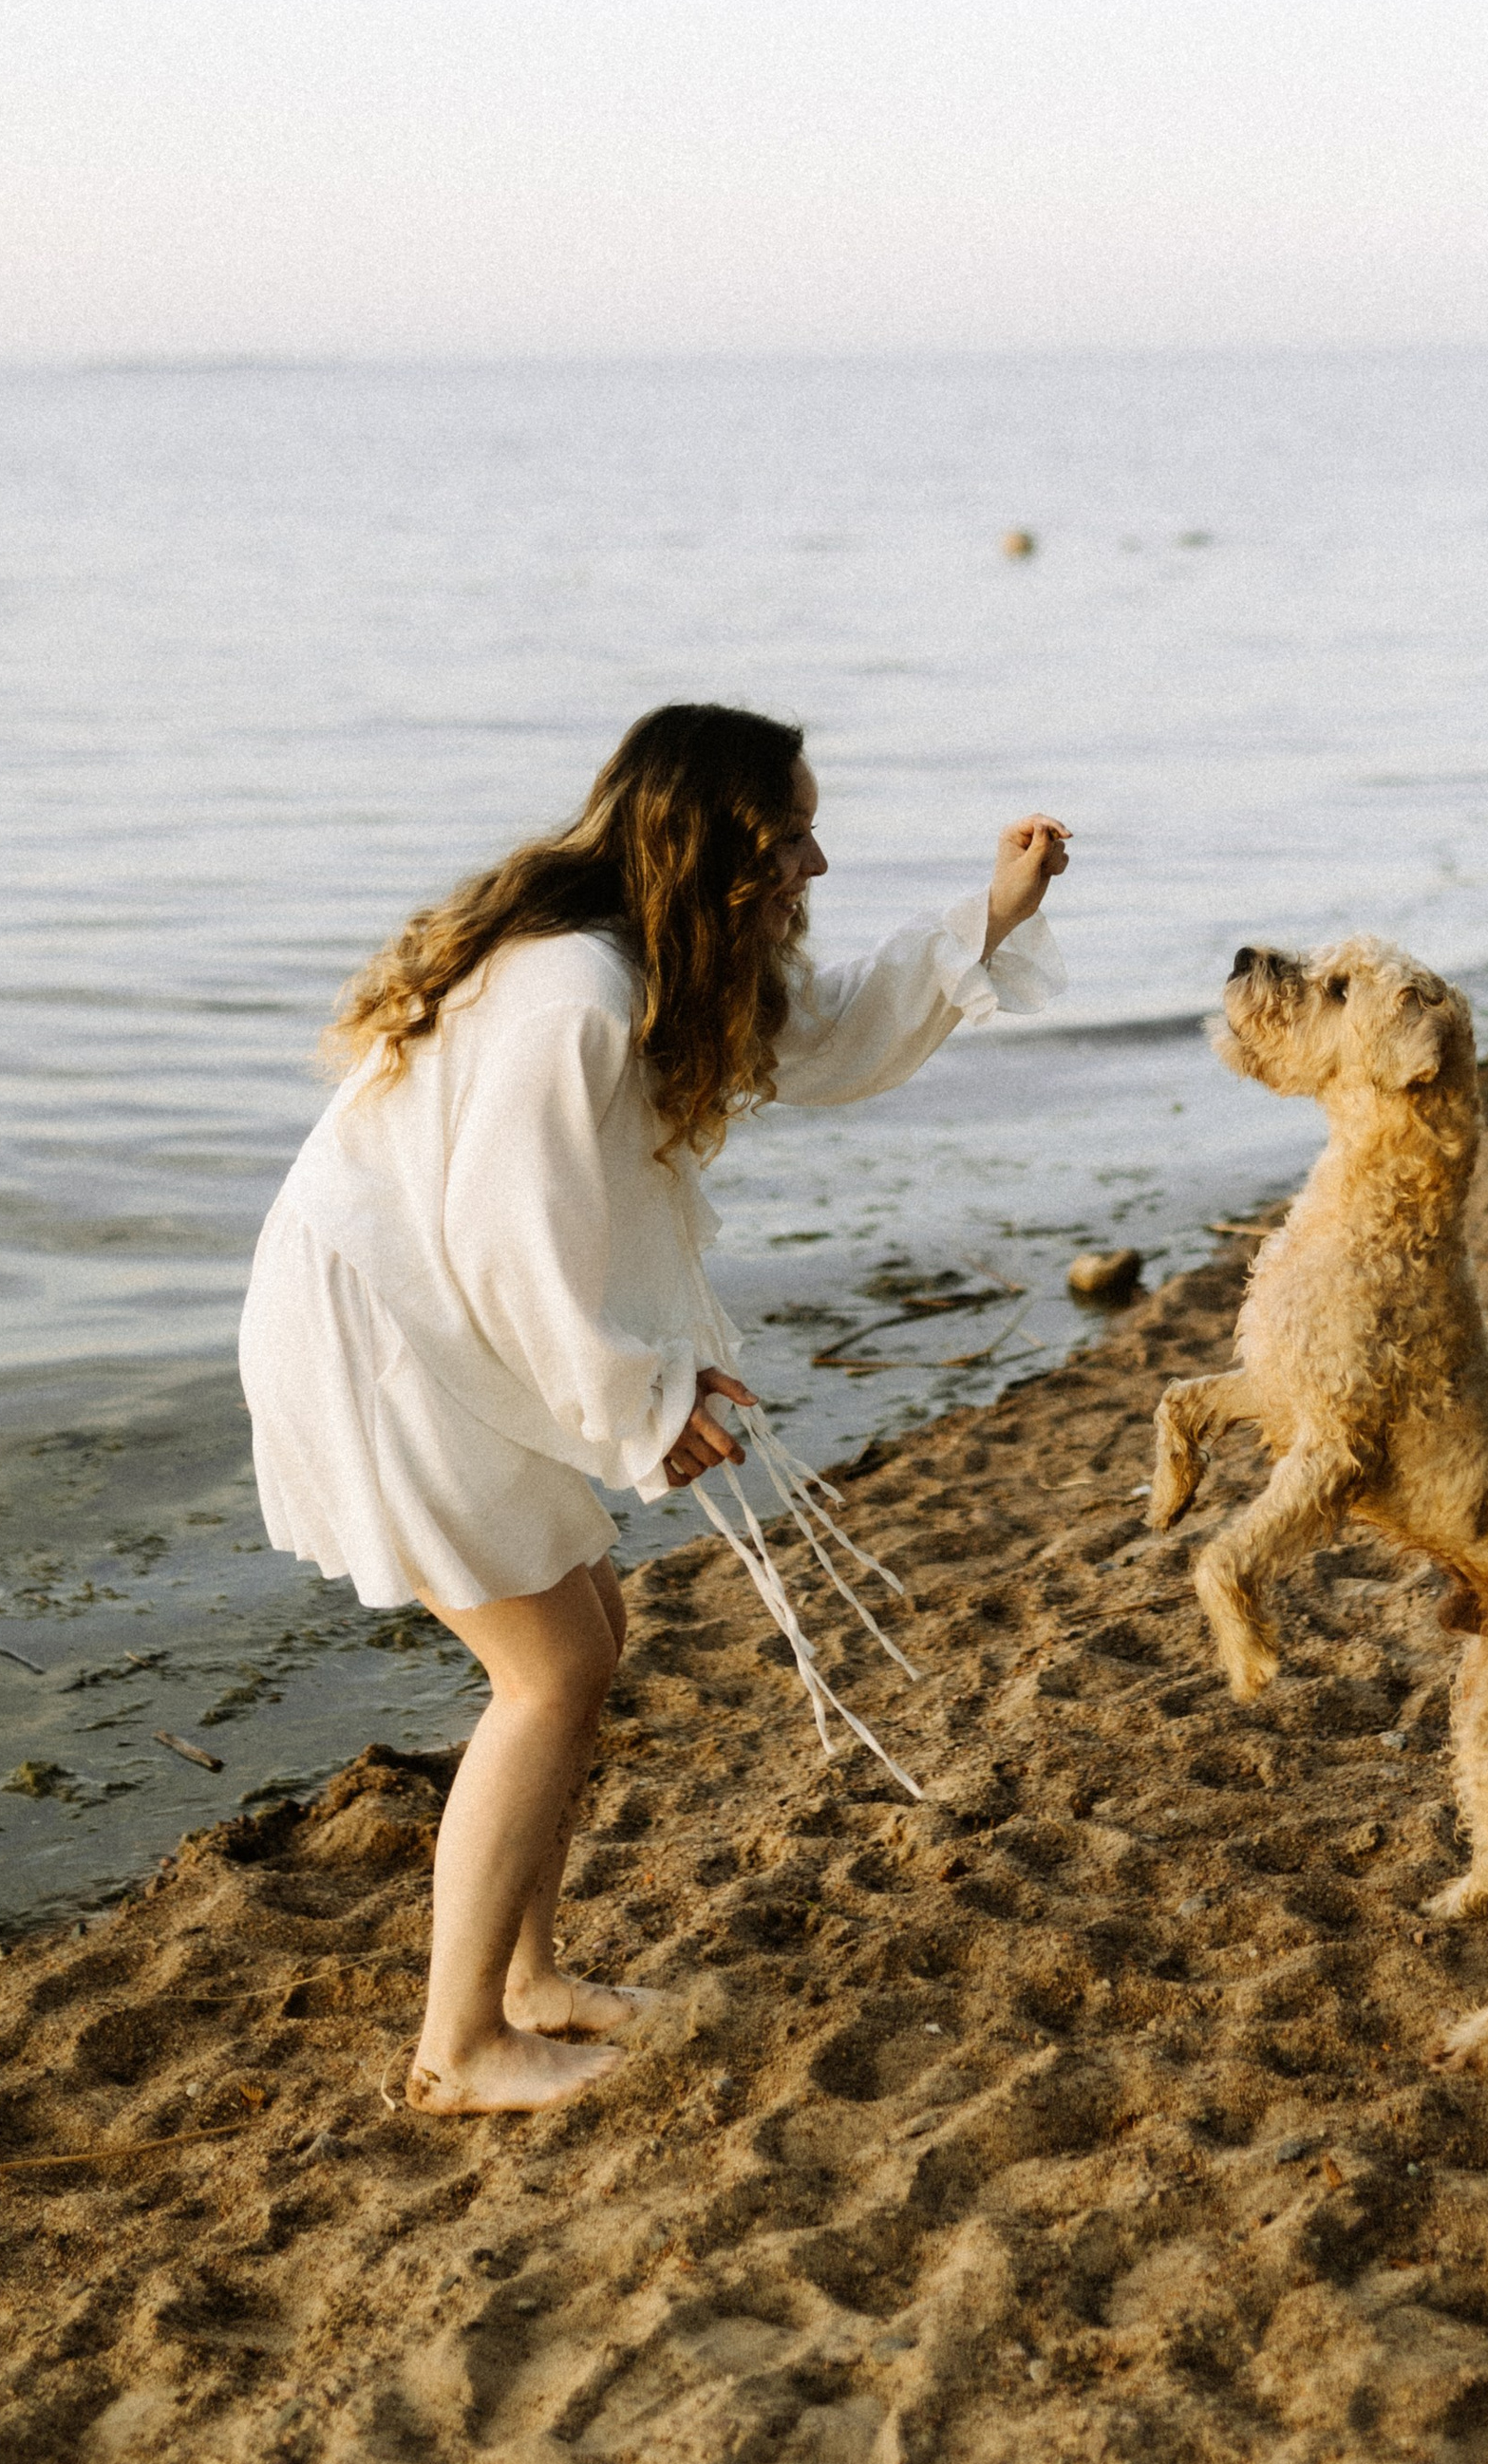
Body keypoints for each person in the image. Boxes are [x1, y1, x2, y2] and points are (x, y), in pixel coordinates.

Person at [239, 703, 1068, 2115]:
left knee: (588, 1637)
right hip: (386, 1324)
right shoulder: (571, 991)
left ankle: (526, 1981)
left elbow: (818, 1038)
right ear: (720, 849)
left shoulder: (659, 961)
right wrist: (643, 1399)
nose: (815, 862)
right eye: (792, 834)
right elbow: (515, 1233)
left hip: (452, 1309)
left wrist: (989, 914)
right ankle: (459, 2049)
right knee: (550, 1672)